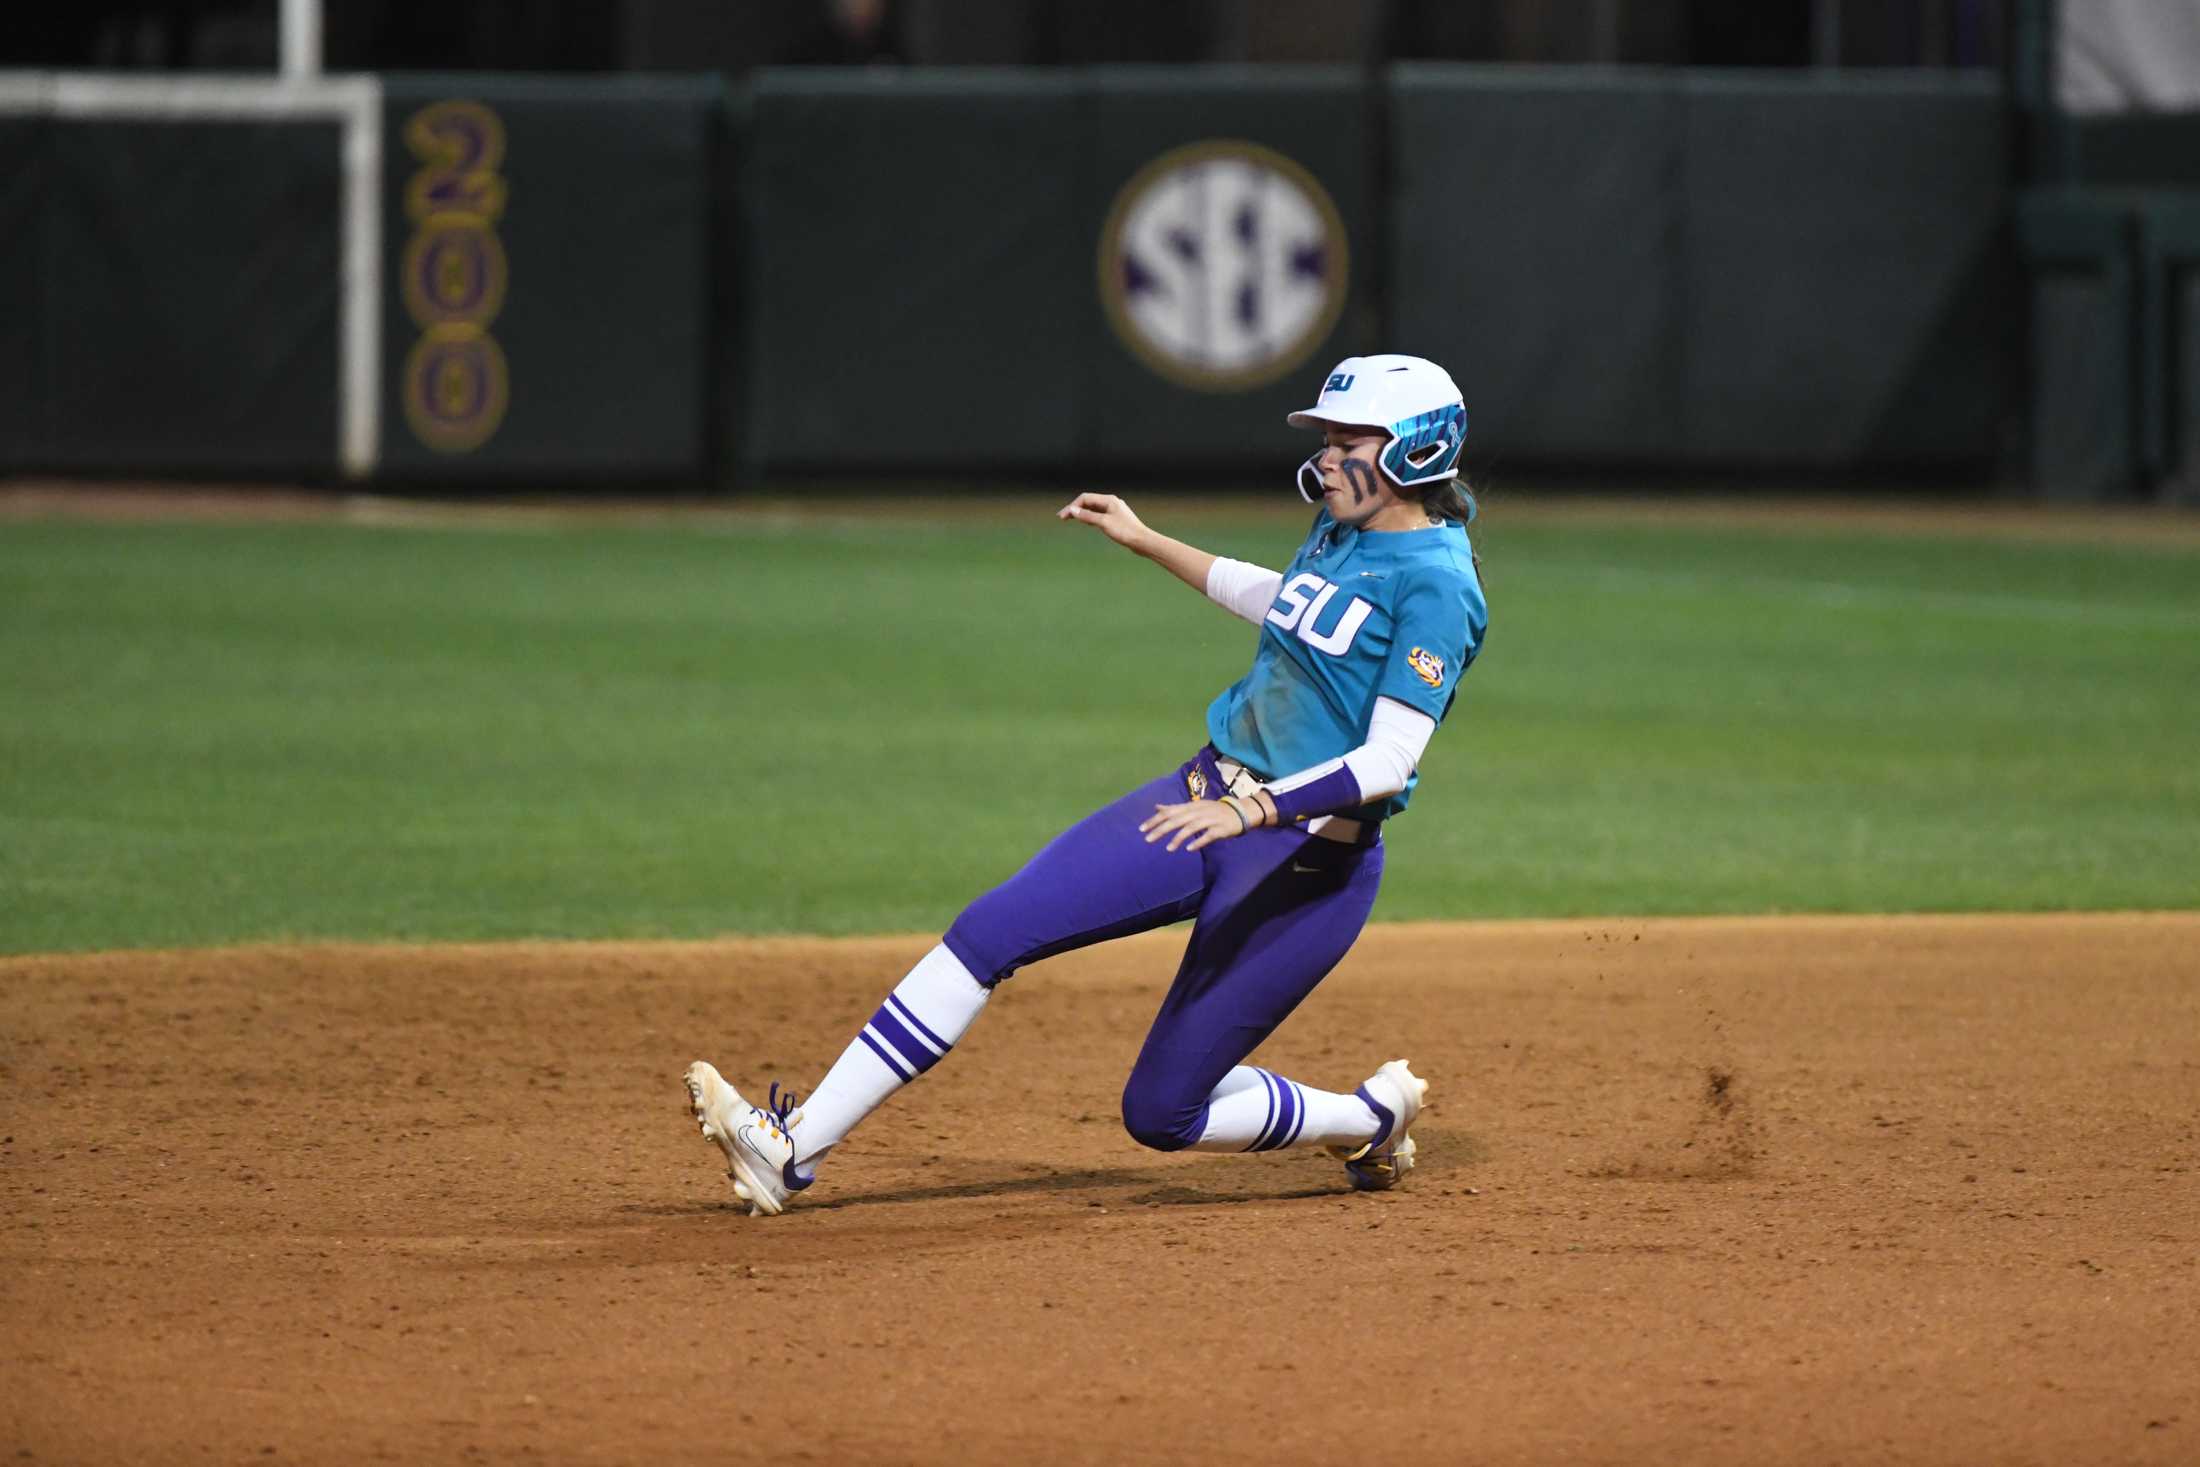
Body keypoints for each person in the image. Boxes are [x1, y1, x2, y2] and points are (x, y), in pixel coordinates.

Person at [683, 354, 1488, 1216]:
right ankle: (795, 1148)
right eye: (1324, 438)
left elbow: (1389, 760)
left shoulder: (1439, 584)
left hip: (1303, 867)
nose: (1325, 457)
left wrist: (1248, 808)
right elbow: (1290, 603)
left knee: (1161, 1111)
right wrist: (1148, 539)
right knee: (990, 929)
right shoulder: (1343, 528)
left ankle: (1365, 1116)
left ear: (1415, 450)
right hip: (1200, 798)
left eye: (1348, 438)